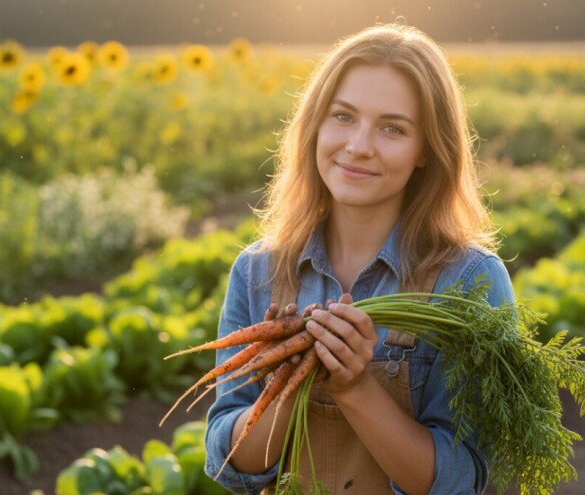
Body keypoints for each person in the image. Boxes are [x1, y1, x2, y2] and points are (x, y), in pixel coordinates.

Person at [204, 22, 514, 495]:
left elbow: (460, 481)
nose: (359, 146)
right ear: (314, 125)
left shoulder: (468, 281)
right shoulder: (259, 272)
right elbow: (233, 466)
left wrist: (354, 388)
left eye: (392, 128)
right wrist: (285, 386)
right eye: (343, 117)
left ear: (427, 150)